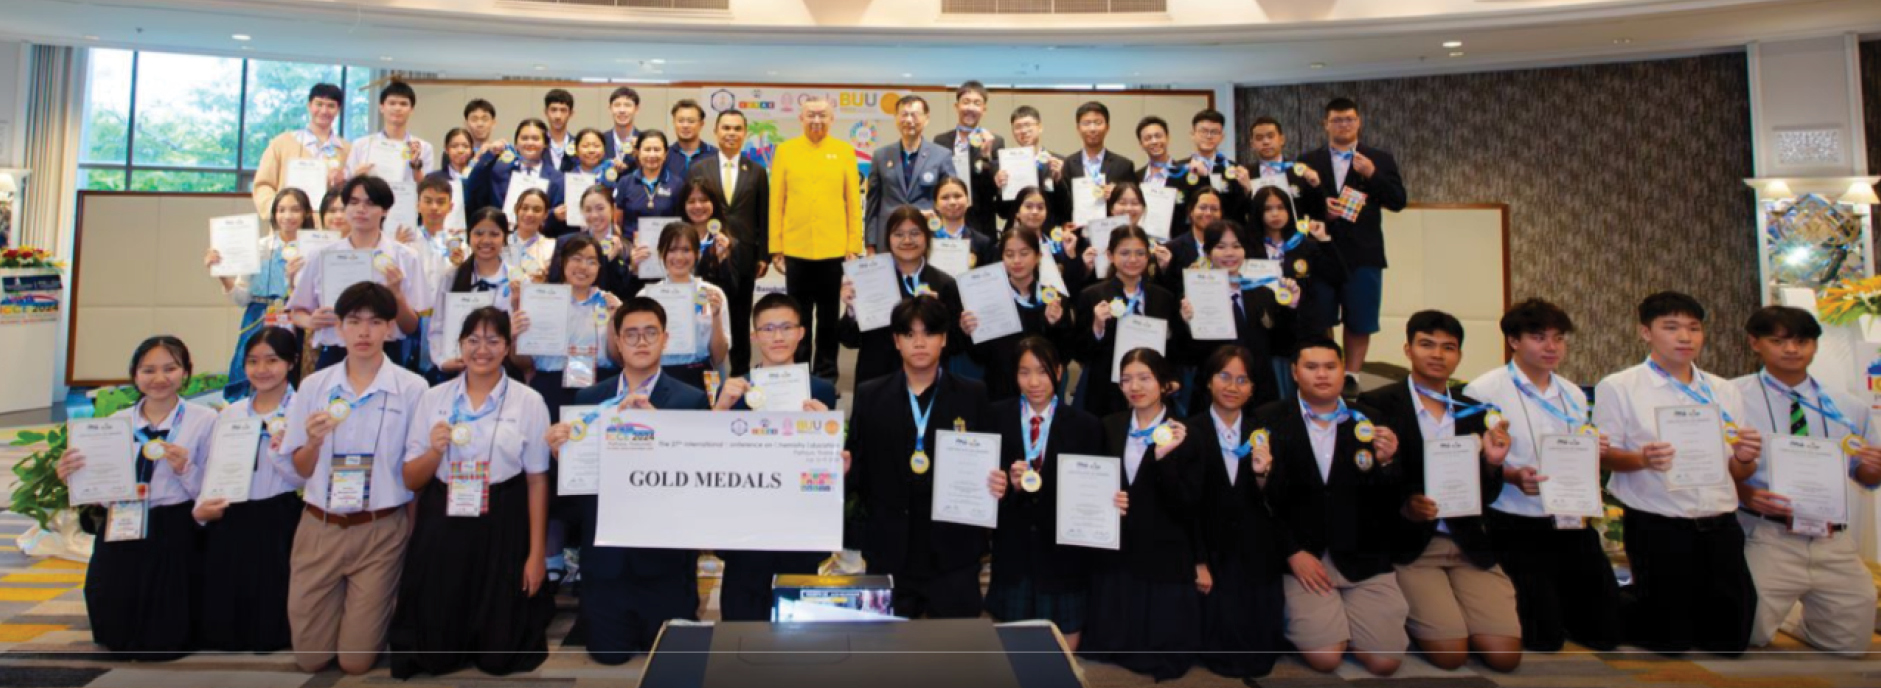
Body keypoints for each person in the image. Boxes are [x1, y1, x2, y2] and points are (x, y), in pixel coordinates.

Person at [1593, 291, 1761, 656]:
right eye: (1671, 327)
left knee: (1730, 642)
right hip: (1658, 522)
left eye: (1693, 328)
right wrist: (1642, 459)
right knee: (1669, 641)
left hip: (1719, 521)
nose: (1685, 337)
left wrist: (1746, 457)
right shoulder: (1619, 386)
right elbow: (1605, 457)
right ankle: (1611, 609)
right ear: (1645, 332)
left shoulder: (1723, 390)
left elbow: (1738, 470)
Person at [389, 307, 553, 678]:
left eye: (493, 341)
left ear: (507, 347)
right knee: (438, 657)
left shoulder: (529, 401)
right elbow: (412, 479)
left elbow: (537, 481)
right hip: (445, 515)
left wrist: (536, 554)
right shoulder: (433, 399)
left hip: (504, 519)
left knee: (499, 659)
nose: (482, 350)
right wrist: (434, 452)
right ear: (460, 345)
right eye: (473, 340)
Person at [1359, 311, 1523, 672]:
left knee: (1504, 657)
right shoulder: (1375, 405)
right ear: (1408, 349)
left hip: (1468, 543)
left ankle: (1454, 611)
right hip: (1413, 545)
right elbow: (1364, 484)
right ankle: (1420, 615)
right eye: (1426, 344)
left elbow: (1488, 494)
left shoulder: (1475, 411)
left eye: (1448, 347)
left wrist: (1493, 464)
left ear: (1459, 356)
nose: (1437, 354)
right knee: (1451, 655)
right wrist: (1405, 506)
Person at [549, 297, 711, 664]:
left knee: (672, 660)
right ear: (618, 342)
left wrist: (659, 429)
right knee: (609, 656)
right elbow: (576, 492)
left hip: (666, 560)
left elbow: (696, 480)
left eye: (650, 333)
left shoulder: (690, 401)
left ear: (665, 339)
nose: (641, 341)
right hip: (607, 561)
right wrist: (561, 456)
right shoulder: (589, 398)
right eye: (631, 334)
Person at [280, 282, 430, 674]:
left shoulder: (413, 389)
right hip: (320, 526)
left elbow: (414, 472)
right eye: (354, 321)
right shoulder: (314, 386)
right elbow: (301, 468)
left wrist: (411, 531)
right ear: (339, 328)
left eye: (375, 322)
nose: (364, 332)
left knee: (356, 662)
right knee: (311, 659)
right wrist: (313, 442)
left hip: (381, 530)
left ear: (390, 328)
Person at [1462, 298, 1624, 653]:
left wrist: (1593, 449)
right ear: (1514, 341)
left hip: (1569, 518)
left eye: (1558, 338)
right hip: (1515, 520)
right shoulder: (1483, 391)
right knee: (1543, 639)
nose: (1552, 347)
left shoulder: (1572, 393)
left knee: (1607, 634)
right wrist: (1512, 476)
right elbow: (1472, 462)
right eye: (1539, 338)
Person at [1731, 305, 1880, 656]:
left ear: (1814, 345)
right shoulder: (1732, 397)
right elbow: (1714, 467)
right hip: (1767, 532)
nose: (1791, 349)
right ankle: (1781, 613)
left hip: (1831, 537)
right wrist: (1745, 493)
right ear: (1754, 343)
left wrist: (1875, 467)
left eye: (1802, 341)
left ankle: (1796, 620)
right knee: (1747, 635)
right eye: (1778, 341)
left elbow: (1865, 475)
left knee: (1851, 645)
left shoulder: (1848, 406)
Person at [844, 295, 1002, 618]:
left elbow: (988, 465)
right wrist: (842, 472)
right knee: (886, 647)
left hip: (954, 552)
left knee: (956, 646)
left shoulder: (973, 394)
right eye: (909, 334)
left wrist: (997, 482)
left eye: (929, 333)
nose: (919, 343)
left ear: (943, 339)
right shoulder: (870, 395)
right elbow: (857, 471)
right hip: (889, 549)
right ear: (896, 341)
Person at [57, 336, 212, 660]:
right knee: (109, 597)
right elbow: (99, 491)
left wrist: (185, 468)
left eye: (170, 368)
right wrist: (73, 475)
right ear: (135, 374)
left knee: (167, 619)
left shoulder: (204, 420)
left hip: (174, 520)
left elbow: (210, 489)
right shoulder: (116, 423)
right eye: (148, 370)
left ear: (186, 372)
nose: (159, 378)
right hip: (123, 517)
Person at [1260, 338, 1407, 677]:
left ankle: (1349, 619)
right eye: (1311, 367)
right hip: (1303, 556)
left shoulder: (1371, 420)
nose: (1322, 375)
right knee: (1326, 658)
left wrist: (1387, 463)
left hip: (1361, 558)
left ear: (1344, 371)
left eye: (1330, 366)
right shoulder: (1268, 419)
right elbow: (1261, 501)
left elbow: (1390, 502)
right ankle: (1330, 624)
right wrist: (1291, 552)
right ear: (1294, 372)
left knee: (1385, 662)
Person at [711, 293, 839, 621]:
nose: (778, 336)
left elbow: (828, 467)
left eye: (786, 327)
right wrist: (720, 410)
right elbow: (711, 460)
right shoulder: (734, 390)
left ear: (802, 333)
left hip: (799, 527)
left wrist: (827, 434)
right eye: (768, 329)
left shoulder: (822, 391)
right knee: (740, 628)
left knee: (797, 631)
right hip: (745, 529)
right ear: (754, 335)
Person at [985, 337, 1118, 650]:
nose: (1033, 382)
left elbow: (1095, 491)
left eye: (1043, 372)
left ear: (1059, 372)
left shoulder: (1086, 426)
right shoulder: (994, 417)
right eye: (1024, 372)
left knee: (1062, 648)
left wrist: (1111, 502)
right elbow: (982, 484)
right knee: (1012, 648)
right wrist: (1005, 485)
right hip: (1013, 551)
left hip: (1063, 556)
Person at [1078, 347, 1197, 681]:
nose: (1135, 386)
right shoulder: (1110, 425)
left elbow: (1187, 503)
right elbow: (1094, 480)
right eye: (1127, 379)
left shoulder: (1184, 432)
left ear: (1164, 383)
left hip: (1164, 545)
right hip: (1118, 544)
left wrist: (1164, 460)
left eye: (1145, 378)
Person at [195, 327, 305, 653]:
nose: (262, 369)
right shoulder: (232, 412)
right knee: (230, 582)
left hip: (281, 510)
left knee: (275, 583)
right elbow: (214, 466)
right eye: (253, 361)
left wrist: (279, 452)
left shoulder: (302, 410)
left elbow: (304, 478)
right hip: (235, 509)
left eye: (272, 360)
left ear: (291, 362)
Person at [1191, 345, 1288, 680]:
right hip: (1208, 549)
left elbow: (1279, 502)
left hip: (1254, 550)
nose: (1232, 387)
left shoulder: (1266, 433)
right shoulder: (1189, 432)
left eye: (1242, 380)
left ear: (1252, 388)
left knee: (1258, 645)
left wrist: (1263, 473)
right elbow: (1184, 504)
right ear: (1209, 381)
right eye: (1224, 376)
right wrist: (1198, 559)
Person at [1297, 99, 1406, 394]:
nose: (1343, 125)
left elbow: (1398, 201)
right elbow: (1296, 207)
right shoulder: (1307, 160)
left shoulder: (1379, 158)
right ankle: (1326, 369)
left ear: (1358, 122)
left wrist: (1372, 174)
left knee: (1360, 319)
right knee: (1320, 317)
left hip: (1363, 253)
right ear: (1326, 124)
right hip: (1320, 251)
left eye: (1349, 119)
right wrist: (1323, 212)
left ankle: (1352, 375)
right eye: (1337, 120)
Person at [287, 175, 430, 371]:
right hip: (335, 353)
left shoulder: (406, 257)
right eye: (353, 202)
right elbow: (297, 312)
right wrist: (311, 320)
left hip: (386, 354)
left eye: (370, 203)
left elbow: (411, 327)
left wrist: (397, 295)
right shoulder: (321, 256)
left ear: (385, 210)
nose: (361, 209)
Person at [770, 94, 864, 380]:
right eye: (811, 114)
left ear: (832, 119)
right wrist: (776, 246)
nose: (816, 119)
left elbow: (853, 202)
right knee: (797, 317)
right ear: (801, 118)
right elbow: (777, 201)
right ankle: (798, 373)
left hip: (833, 248)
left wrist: (853, 245)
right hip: (796, 247)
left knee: (827, 318)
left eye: (822, 114)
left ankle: (826, 375)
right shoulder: (786, 150)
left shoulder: (844, 151)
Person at [1179, 219, 1300, 412]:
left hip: (1259, 395)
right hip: (1212, 397)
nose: (1230, 253)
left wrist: (1290, 307)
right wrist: (1187, 324)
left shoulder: (1263, 293)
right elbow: (1190, 355)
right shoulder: (1196, 295)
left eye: (1236, 246)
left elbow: (1281, 345)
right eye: (1221, 247)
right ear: (1208, 252)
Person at [207, 188, 312, 401]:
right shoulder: (258, 247)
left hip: (298, 319)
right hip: (258, 319)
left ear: (306, 213)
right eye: (281, 210)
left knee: (294, 375)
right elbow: (242, 298)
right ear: (273, 214)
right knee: (251, 374)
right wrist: (221, 274)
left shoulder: (314, 248)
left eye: (295, 209)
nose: (287, 216)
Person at [840, 205, 963, 384]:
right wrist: (851, 311)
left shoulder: (945, 284)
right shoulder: (869, 280)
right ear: (888, 239)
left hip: (928, 381)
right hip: (876, 379)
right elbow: (849, 340)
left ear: (926, 237)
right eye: (898, 234)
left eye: (915, 233)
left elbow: (956, 345)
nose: (907, 240)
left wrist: (938, 317)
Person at [1072, 223, 1182, 418]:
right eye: (1124, 253)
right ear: (1110, 255)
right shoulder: (1092, 295)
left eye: (1140, 253)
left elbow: (1173, 348)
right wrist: (1097, 327)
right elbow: (1080, 353)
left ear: (1148, 256)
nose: (1133, 259)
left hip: (1152, 391)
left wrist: (1172, 378)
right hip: (1105, 393)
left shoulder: (1163, 297)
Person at [688, 108, 768, 376]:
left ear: (744, 133)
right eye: (726, 128)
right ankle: (707, 374)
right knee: (706, 314)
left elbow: (763, 214)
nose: (731, 133)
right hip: (708, 256)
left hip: (744, 256)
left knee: (740, 318)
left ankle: (741, 375)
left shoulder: (757, 171)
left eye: (737, 128)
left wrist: (763, 255)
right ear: (715, 131)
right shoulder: (700, 168)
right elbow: (691, 209)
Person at [962, 226, 1075, 402]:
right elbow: (979, 357)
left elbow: (1065, 354)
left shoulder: (1055, 299)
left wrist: (1054, 325)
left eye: (1024, 253)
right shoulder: (988, 298)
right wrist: (970, 333)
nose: (1016, 260)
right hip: (1000, 393)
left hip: (1041, 393)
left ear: (1038, 256)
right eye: (1009, 254)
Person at [1249, 185, 1344, 359]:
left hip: (1300, 324)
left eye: (1281, 207)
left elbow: (1337, 274)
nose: (1275, 214)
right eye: (1268, 209)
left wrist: (1324, 240)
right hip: (1262, 323)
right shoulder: (1248, 248)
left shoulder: (1303, 244)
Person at [634, 222, 731, 391]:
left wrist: (715, 316)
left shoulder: (713, 294)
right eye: (672, 250)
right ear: (662, 253)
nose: (679, 257)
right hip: (658, 376)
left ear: (697, 253)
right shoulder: (646, 297)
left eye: (686, 250)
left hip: (702, 376)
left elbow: (718, 358)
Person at [427, 208, 519, 379]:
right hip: (458, 370)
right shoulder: (452, 276)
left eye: (494, 234)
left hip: (503, 370)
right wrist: (442, 361)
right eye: (479, 233)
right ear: (469, 236)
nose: (486, 240)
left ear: (505, 238)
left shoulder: (518, 280)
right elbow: (438, 326)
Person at [866, 95, 957, 252]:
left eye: (914, 115)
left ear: (926, 119)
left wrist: (935, 215)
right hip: (888, 238)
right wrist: (870, 245)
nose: (909, 120)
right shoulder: (880, 156)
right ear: (896, 118)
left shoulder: (942, 155)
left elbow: (951, 199)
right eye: (904, 114)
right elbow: (872, 204)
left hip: (926, 235)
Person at [252, 83, 348, 220]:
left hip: (330, 225)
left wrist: (344, 182)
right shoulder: (281, 143)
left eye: (331, 106)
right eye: (319, 104)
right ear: (309, 106)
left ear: (338, 110)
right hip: (288, 224)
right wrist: (280, 211)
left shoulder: (347, 149)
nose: (324, 111)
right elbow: (263, 184)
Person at [465, 119, 566, 233]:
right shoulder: (499, 171)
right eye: (524, 138)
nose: (529, 143)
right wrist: (490, 154)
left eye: (535, 139)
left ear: (545, 144)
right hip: (501, 236)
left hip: (540, 237)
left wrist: (552, 215)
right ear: (516, 144)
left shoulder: (557, 178)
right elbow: (473, 186)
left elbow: (557, 217)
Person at [1051, 102, 1135, 233]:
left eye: (1098, 122)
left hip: (1113, 234)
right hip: (1077, 234)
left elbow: (1134, 204)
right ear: (1078, 128)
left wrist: (1117, 195)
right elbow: (1062, 205)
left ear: (1107, 127)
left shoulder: (1124, 165)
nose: (1092, 128)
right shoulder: (1067, 164)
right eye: (1086, 123)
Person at [933, 80, 1004, 232]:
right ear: (956, 106)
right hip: (947, 219)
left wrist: (986, 157)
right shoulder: (941, 141)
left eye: (977, 103)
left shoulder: (995, 141)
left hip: (981, 223)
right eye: (966, 102)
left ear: (984, 109)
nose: (971, 107)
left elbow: (994, 190)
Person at [1238, 116, 1325, 223]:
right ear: (1252, 144)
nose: (1266, 142)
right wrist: (1247, 192)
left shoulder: (1301, 171)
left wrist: (1316, 185)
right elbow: (1239, 214)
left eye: (1270, 136)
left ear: (1282, 139)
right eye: (1259, 138)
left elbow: (1318, 211)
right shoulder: (1245, 175)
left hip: (1297, 231)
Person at [346, 81, 434, 184]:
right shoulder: (361, 145)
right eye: (392, 103)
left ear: (411, 110)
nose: (397, 108)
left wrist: (416, 167)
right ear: (381, 107)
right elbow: (347, 183)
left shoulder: (423, 148)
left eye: (403, 104)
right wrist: (357, 177)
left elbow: (427, 187)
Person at [993, 106, 1066, 227]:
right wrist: (1001, 188)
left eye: (1028, 125)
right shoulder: (1006, 164)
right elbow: (1003, 212)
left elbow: (1065, 209)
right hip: (1016, 231)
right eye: (1018, 127)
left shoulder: (1059, 162)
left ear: (1040, 127)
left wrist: (1059, 180)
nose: (1023, 131)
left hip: (1049, 232)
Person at [1133, 115, 1197, 239]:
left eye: (1158, 136)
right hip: (1142, 242)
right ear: (1141, 144)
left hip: (1176, 242)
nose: (1154, 141)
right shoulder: (1136, 177)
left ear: (1167, 138)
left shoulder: (1186, 174)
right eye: (1148, 138)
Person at [615, 130, 683, 237]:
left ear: (665, 154)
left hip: (666, 244)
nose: (652, 155)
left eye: (657, 150)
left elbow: (681, 223)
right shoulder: (625, 182)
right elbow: (617, 222)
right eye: (647, 150)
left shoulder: (677, 184)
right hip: (630, 244)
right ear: (638, 152)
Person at [930, 175, 996, 270]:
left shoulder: (982, 242)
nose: (952, 202)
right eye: (945, 197)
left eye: (957, 196)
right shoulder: (927, 240)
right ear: (936, 205)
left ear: (968, 201)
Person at [507, 188, 558, 283]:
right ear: (516, 209)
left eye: (537, 210)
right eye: (525, 208)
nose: (529, 214)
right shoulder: (500, 243)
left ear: (545, 214)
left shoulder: (553, 247)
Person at [663, 98, 717, 180]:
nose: (685, 125)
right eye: (680, 121)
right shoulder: (664, 155)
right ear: (674, 122)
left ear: (701, 124)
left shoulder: (715, 155)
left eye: (691, 121)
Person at [602, 87, 642, 164]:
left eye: (627, 105)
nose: (622, 110)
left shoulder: (644, 141)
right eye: (617, 105)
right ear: (610, 109)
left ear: (636, 109)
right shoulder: (600, 141)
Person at [542, 88, 577, 172]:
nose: (558, 116)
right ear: (546, 112)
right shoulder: (538, 144)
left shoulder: (578, 145)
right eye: (553, 110)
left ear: (571, 113)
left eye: (563, 110)